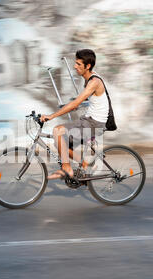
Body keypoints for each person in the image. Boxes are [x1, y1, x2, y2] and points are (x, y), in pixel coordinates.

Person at [40, 49, 109, 180]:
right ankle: (87, 164)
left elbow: (75, 104)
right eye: (75, 63)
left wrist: (52, 116)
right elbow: (90, 101)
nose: (74, 66)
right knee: (60, 143)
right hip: (89, 120)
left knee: (58, 131)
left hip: (94, 123)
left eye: (78, 64)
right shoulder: (89, 78)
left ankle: (67, 169)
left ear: (87, 66)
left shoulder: (94, 81)